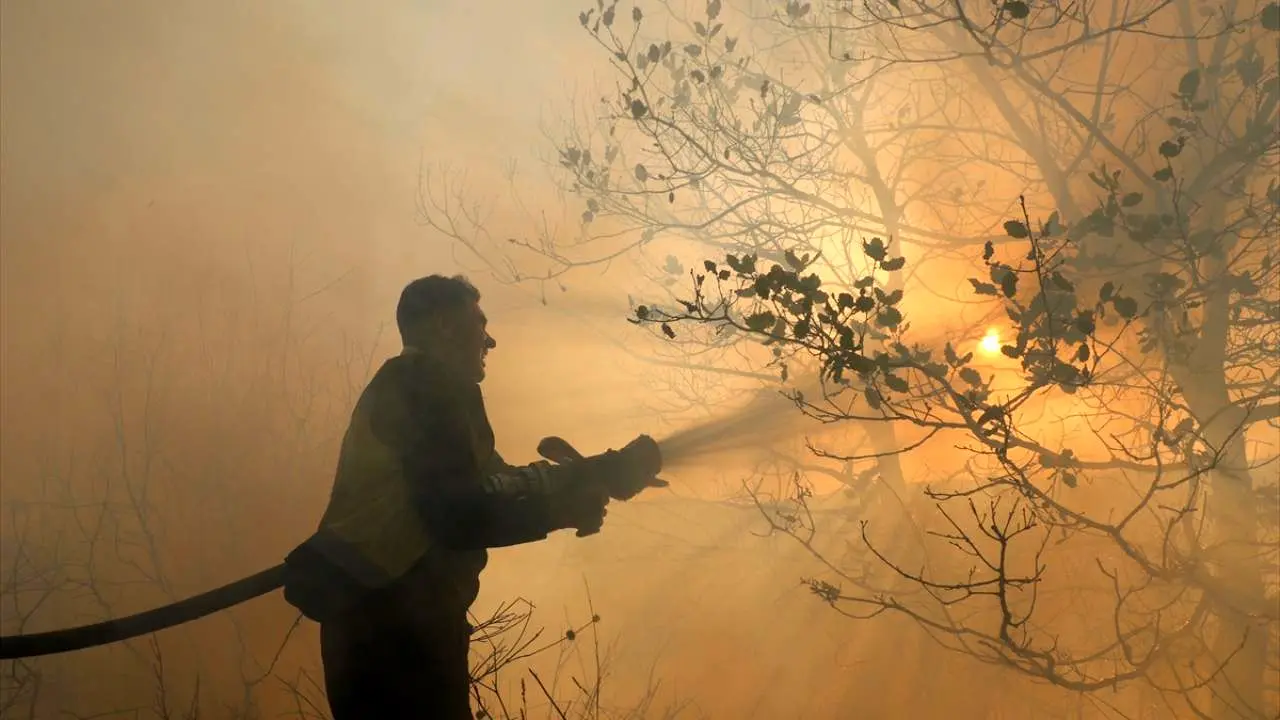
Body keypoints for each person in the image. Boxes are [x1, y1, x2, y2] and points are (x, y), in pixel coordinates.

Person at [281, 274, 664, 719]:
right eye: (480, 324)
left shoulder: (416, 388)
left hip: (383, 620)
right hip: (394, 626)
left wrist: (596, 471)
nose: (490, 340)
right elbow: (456, 518)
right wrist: (560, 511)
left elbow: (497, 484)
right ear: (444, 326)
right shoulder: (425, 388)